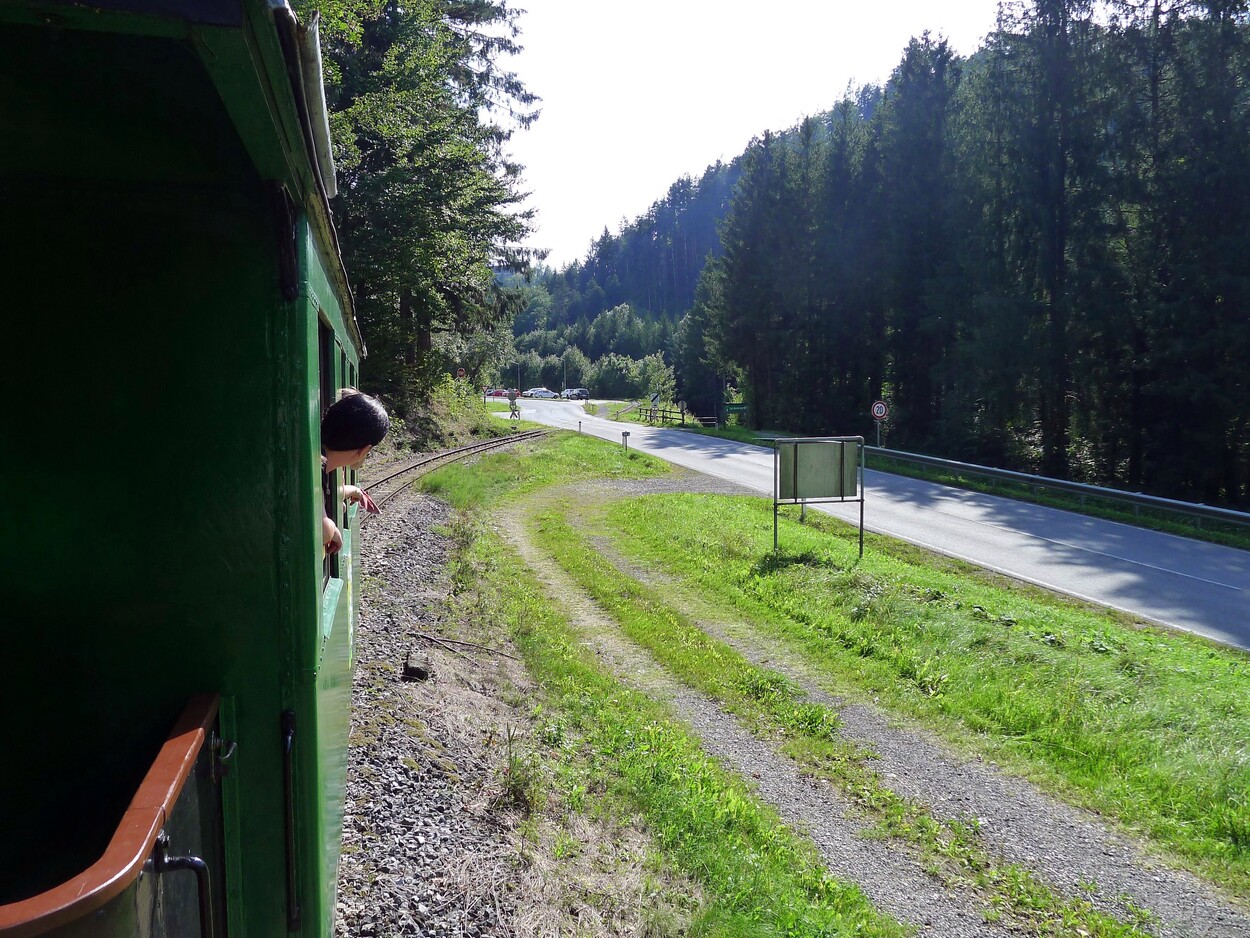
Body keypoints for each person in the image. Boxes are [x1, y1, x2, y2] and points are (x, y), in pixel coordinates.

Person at [322, 389, 389, 554]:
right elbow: (322, 531)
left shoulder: (320, 460)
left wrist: (354, 490)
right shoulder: (318, 467)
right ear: (364, 450)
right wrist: (332, 530)